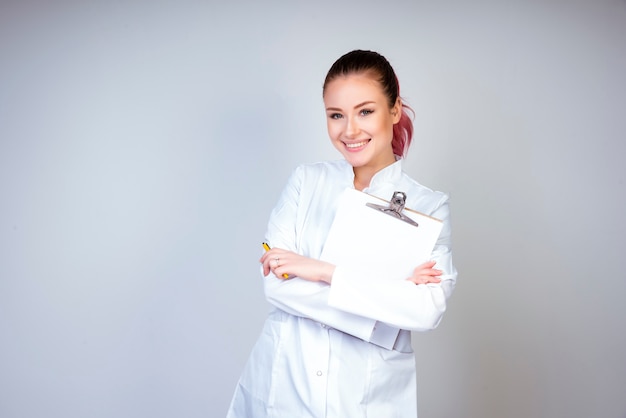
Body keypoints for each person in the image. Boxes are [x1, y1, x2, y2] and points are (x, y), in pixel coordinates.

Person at [226, 49, 457, 418]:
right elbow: (276, 284)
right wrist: (384, 306)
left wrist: (321, 271)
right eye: (336, 115)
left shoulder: (428, 206)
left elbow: (425, 309)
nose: (349, 130)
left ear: (394, 110)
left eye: (365, 111)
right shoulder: (306, 182)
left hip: (368, 400)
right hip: (285, 387)